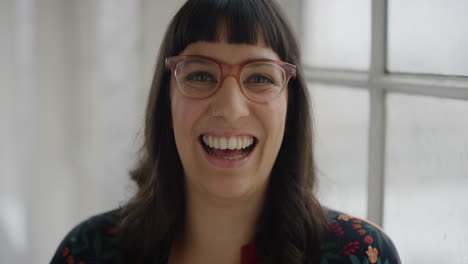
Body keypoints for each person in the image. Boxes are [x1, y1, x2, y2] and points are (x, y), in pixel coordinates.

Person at [50, 0, 400, 263]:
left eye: (260, 77)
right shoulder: (87, 252)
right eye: (200, 75)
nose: (230, 108)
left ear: (291, 108)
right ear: (165, 102)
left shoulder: (361, 255)